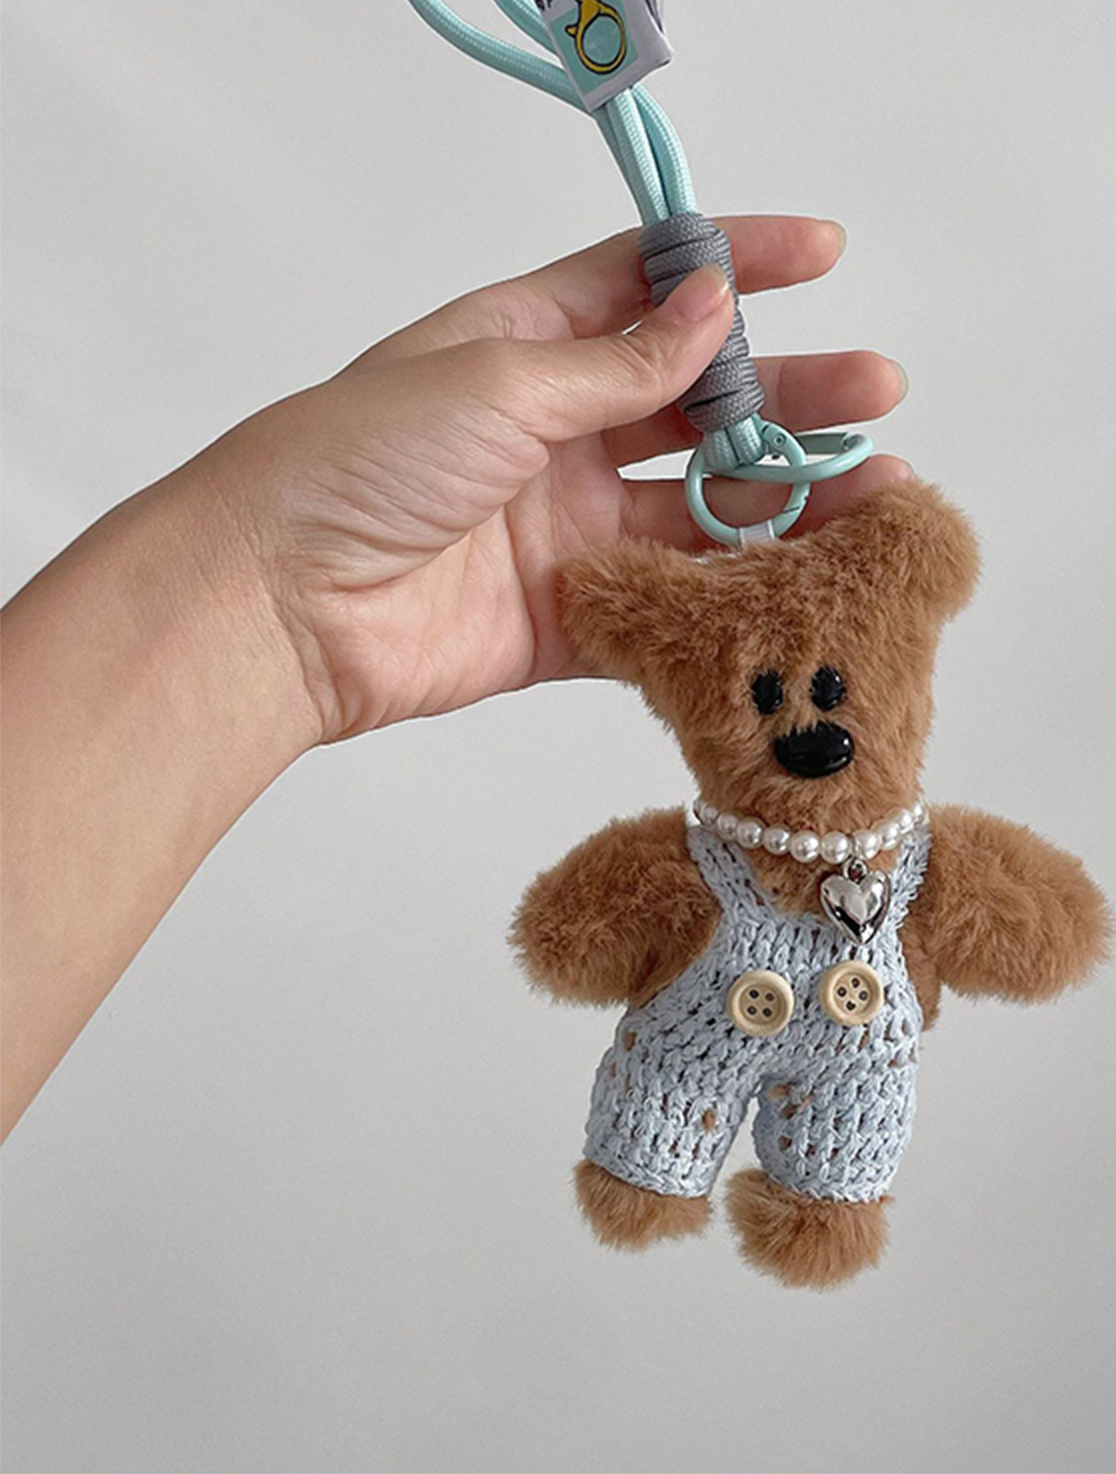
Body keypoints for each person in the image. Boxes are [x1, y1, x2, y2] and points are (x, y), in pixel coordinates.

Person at [0, 216, 908, 1140]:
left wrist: (280, 604)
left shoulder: (906, 861)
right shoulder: (710, 860)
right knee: (658, 1132)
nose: (809, 730)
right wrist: (280, 597)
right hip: (684, 1068)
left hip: (843, 1070)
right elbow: (573, 932)